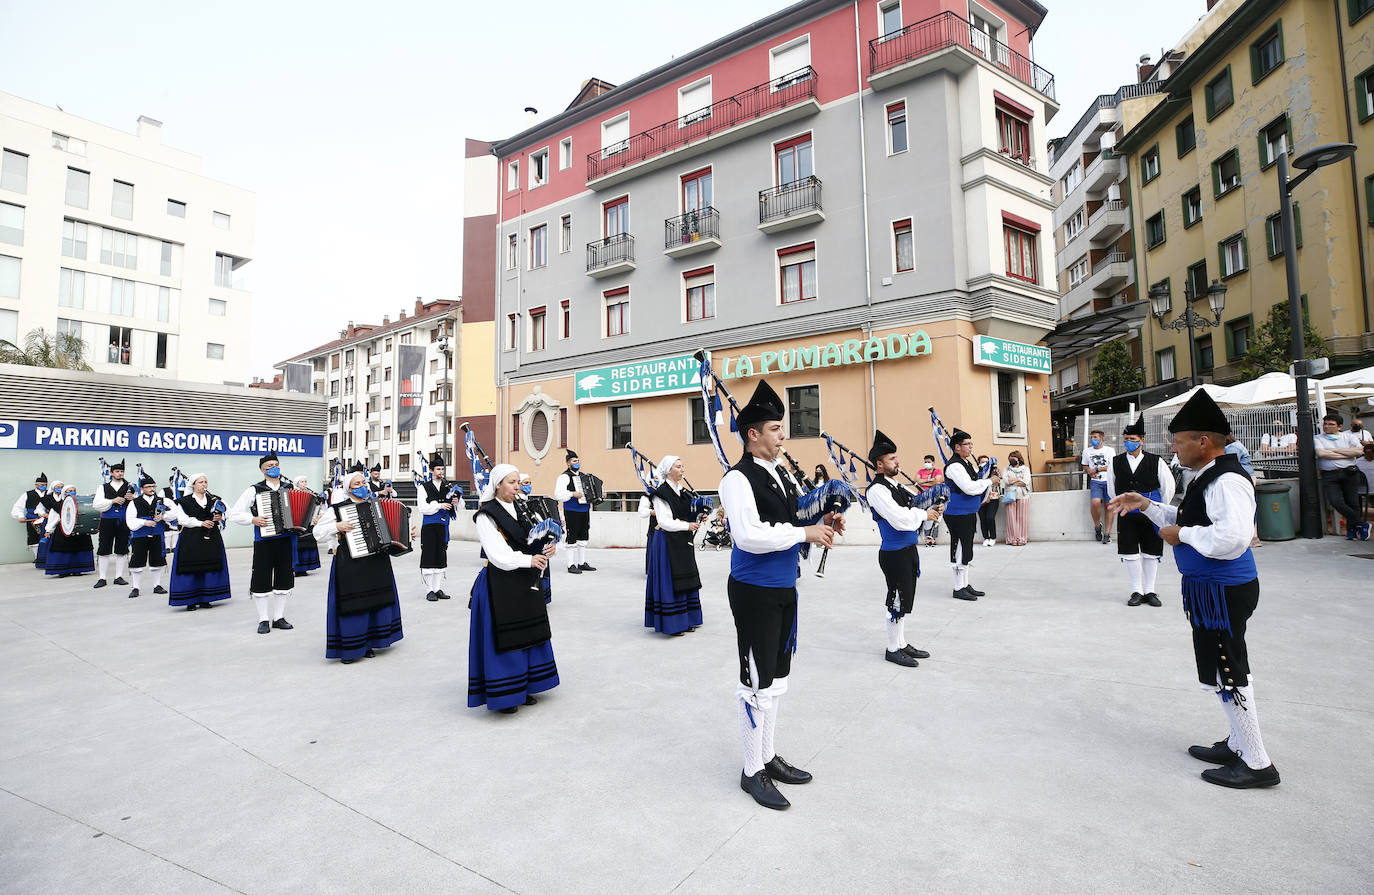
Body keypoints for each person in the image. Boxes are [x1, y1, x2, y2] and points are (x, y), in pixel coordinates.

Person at [1108, 389, 1279, 789]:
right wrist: (1147, 506)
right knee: (1224, 667)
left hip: (1222, 590)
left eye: (1179, 440)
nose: (1174, 447)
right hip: (1211, 589)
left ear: (1203, 441)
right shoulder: (1208, 475)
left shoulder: (1228, 480)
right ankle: (1238, 742)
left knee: (1230, 668)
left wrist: (1181, 534)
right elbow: (1189, 515)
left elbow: (1233, 538)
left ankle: (1256, 760)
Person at [720, 379, 840, 810]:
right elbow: (750, 535)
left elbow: (792, 516)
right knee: (755, 682)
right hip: (754, 590)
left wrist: (821, 518)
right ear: (753, 434)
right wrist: (803, 530)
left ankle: (767, 757)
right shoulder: (736, 479)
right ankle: (751, 770)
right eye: (774, 428)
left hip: (784, 588)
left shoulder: (780, 473)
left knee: (776, 679)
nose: (782, 434)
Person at [467, 463, 560, 714]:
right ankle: (506, 693)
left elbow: (537, 538)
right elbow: (498, 555)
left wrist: (548, 549)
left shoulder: (523, 507)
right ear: (498, 484)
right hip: (501, 582)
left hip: (525, 580)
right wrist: (527, 560)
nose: (517, 486)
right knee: (507, 636)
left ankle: (525, 685)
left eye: (518, 481)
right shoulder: (487, 515)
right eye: (511, 482)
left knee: (527, 633)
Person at [866, 430, 940, 668]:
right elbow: (899, 519)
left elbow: (916, 502)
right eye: (891, 459)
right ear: (879, 464)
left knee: (906, 598)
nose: (897, 462)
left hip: (908, 550)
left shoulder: (895, 485)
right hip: (893, 553)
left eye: (896, 457)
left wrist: (934, 499)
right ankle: (891, 648)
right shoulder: (877, 490)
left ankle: (901, 642)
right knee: (896, 600)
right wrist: (923, 513)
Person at [313, 471, 404, 665]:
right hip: (350, 561)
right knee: (354, 604)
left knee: (375, 601)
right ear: (349, 488)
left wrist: (404, 533)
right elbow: (317, 533)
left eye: (364, 482)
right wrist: (337, 526)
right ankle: (352, 646)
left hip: (377, 561)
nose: (363, 486)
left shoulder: (378, 505)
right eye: (357, 484)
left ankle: (371, 642)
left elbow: (392, 531)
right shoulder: (337, 510)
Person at [1105, 416, 1176, 607]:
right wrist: (1122, 502)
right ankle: (1137, 589)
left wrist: (1157, 507)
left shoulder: (1156, 461)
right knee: (1129, 550)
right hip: (1126, 513)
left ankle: (1150, 590)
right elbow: (1111, 487)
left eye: (1133, 439)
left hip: (1150, 511)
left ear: (1142, 440)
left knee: (1151, 550)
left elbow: (1168, 487)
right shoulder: (1116, 462)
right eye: (1126, 439)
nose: (1129, 443)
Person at [230, 451, 297, 634]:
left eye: (276, 465)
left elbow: (298, 510)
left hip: (285, 539)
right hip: (264, 541)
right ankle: (263, 619)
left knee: (284, 577)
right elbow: (235, 513)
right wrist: (253, 519)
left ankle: (279, 617)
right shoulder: (254, 489)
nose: (274, 468)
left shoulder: (289, 487)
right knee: (261, 578)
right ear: (262, 470)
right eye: (269, 466)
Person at [645, 455, 704, 636]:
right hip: (667, 542)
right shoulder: (661, 493)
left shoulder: (683, 492)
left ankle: (687, 619)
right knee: (672, 580)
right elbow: (664, 522)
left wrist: (699, 517)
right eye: (678, 467)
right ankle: (673, 623)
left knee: (686, 577)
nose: (682, 469)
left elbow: (687, 513)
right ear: (668, 470)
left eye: (682, 466)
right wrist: (687, 525)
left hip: (682, 540)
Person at [944, 428, 1000, 600]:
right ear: (957, 447)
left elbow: (975, 482)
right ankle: (958, 587)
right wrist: (989, 481)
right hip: (957, 512)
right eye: (967, 444)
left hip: (967, 511)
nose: (970, 447)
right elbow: (968, 488)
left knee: (966, 547)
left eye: (971, 443)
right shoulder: (954, 466)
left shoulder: (966, 463)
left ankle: (965, 584)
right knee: (960, 547)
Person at [164, 473, 230, 611]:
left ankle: (207, 598)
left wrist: (221, 517)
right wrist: (201, 523)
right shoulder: (184, 501)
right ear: (193, 485)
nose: (204, 484)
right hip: (191, 537)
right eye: (200, 482)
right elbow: (181, 519)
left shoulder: (215, 499)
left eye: (205, 482)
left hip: (212, 537)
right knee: (191, 567)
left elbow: (229, 512)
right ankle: (190, 600)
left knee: (209, 566)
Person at [1314, 411, 1371, 540]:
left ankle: (1352, 530)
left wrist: (1333, 450)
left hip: (1349, 472)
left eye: (1331, 424)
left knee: (1353, 502)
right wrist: (1347, 453)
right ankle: (1362, 524)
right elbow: (1322, 454)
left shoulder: (1348, 437)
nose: (1327, 426)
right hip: (1329, 475)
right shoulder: (1318, 438)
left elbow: (1359, 451)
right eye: (1325, 424)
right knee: (1335, 501)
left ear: (1339, 427)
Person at [416, 453, 456, 601]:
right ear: (431, 471)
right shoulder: (423, 487)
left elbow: (453, 509)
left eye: (442, 469)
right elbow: (422, 508)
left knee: (440, 555)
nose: (441, 472)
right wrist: (439, 505)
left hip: (443, 525)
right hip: (429, 526)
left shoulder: (448, 487)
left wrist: (455, 503)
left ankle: (437, 588)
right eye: (438, 469)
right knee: (429, 556)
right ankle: (429, 590)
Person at [123, 471, 168, 599]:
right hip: (140, 536)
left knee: (157, 560)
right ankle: (136, 587)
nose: (152, 489)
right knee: (137, 560)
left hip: (157, 535)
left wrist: (163, 516)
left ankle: (157, 585)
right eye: (148, 487)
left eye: (153, 486)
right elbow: (130, 520)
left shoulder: (162, 501)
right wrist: (144, 522)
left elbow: (174, 515)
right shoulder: (134, 502)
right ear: (142, 489)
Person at [92, 459, 134, 588]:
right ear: (111, 473)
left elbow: (138, 504)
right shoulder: (103, 487)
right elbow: (96, 505)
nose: (120, 473)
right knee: (104, 547)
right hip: (108, 519)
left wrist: (133, 499)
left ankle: (119, 576)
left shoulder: (130, 486)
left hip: (124, 520)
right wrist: (112, 500)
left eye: (122, 471)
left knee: (122, 548)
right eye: (117, 471)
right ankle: (102, 578)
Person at [42, 480, 95, 578]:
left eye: (73, 490)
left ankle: (78, 569)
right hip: (63, 530)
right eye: (69, 490)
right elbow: (53, 518)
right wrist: (48, 530)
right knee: (63, 549)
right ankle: (63, 570)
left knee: (80, 548)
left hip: (79, 530)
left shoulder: (80, 502)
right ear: (64, 493)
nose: (71, 492)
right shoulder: (59, 504)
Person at [555, 449, 595, 574]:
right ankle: (570, 564)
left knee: (583, 536)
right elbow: (558, 494)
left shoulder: (584, 476)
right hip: (571, 510)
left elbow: (592, 490)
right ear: (568, 463)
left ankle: (581, 563)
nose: (577, 463)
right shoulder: (564, 477)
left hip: (584, 509)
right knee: (572, 537)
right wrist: (572, 493)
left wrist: (600, 494)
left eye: (578, 460)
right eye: (574, 461)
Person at [1082, 430, 1115, 544]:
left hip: (1108, 481)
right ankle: (1097, 526)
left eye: (1095, 437)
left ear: (1102, 438)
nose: (1093, 440)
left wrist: (1097, 469)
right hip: (1096, 481)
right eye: (1092, 437)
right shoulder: (1087, 451)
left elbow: (1111, 465)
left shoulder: (1109, 450)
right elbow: (1085, 465)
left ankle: (1107, 533)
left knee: (1109, 507)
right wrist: (1089, 471)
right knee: (1095, 503)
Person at [11, 472, 50, 561]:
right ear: (36, 485)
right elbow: (18, 506)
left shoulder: (49, 494)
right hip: (32, 519)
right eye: (41, 484)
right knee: (33, 538)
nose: (43, 486)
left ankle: (47, 557)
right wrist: (20, 516)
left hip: (47, 519)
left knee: (47, 537)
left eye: (45, 485)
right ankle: (38, 557)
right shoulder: (28, 494)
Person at [291, 475, 322, 576]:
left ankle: (306, 567)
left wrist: (316, 515)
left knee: (308, 543)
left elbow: (316, 507)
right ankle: (296, 568)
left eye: (305, 481)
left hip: (308, 524)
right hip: (295, 524)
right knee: (298, 545)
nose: (304, 483)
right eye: (302, 481)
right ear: (297, 483)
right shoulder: (291, 493)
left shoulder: (311, 495)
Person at [1001, 451, 1032, 546]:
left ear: (1018, 459)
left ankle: (1022, 539)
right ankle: (1012, 539)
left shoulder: (1025, 469)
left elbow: (1026, 481)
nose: (1011, 460)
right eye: (1010, 458)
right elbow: (1005, 480)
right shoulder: (1006, 469)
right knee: (1011, 518)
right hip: (1010, 495)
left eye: (1013, 458)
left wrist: (1013, 481)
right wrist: (1018, 479)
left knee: (1022, 518)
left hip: (1023, 495)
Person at [915, 454, 943, 546]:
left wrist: (923, 481)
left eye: (928, 462)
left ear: (933, 463)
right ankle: (927, 538)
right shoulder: (920, 471)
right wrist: (931, 481)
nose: (926, 464)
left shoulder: (937, 471)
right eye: (925, 462)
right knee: (926, 518)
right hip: (922, 499)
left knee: (935, 516)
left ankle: (933, 538)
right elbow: (916, 481)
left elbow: (938, 481)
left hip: (934, 498)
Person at [975, 454, 1000, 547]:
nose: (984, 464)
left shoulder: (993, 472)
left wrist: (995, 470)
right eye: (982, 462)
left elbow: (998, 480)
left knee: (990, 517)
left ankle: (993, 537)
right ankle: (986, 537)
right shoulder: (977, 473)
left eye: (986, 462)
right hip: (980, 499)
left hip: (993, 498)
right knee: (983, 519)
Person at [161, 475, 182, 554]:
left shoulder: (181, 491)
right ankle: (167, 547)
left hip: (178, 513)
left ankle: (174, 546)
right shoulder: (164, 490)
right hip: (167, 512)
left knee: (176, 530)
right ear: (170, 481)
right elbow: (160, 500)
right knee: (167, 531)